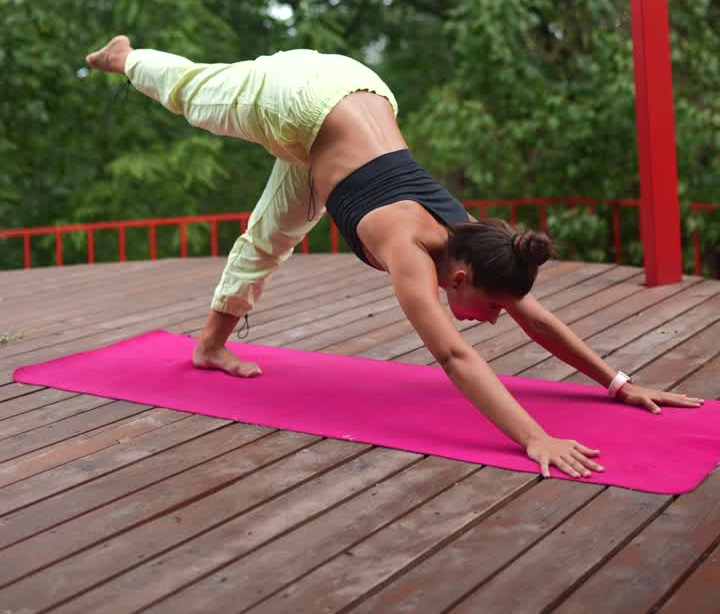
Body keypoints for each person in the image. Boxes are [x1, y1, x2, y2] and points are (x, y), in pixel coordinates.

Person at [86, 36, 704, 480]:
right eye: (488, 309)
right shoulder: (410, 248)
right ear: (459, 278)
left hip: (356, 104)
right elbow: (454, 355)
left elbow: (535, 316)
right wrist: (534, 437)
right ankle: (126, 56)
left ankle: (210, 347)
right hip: (300, 98)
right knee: (195, 94)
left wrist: (618, 385)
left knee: (267, 238)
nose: (492, 322)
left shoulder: (474, 242)